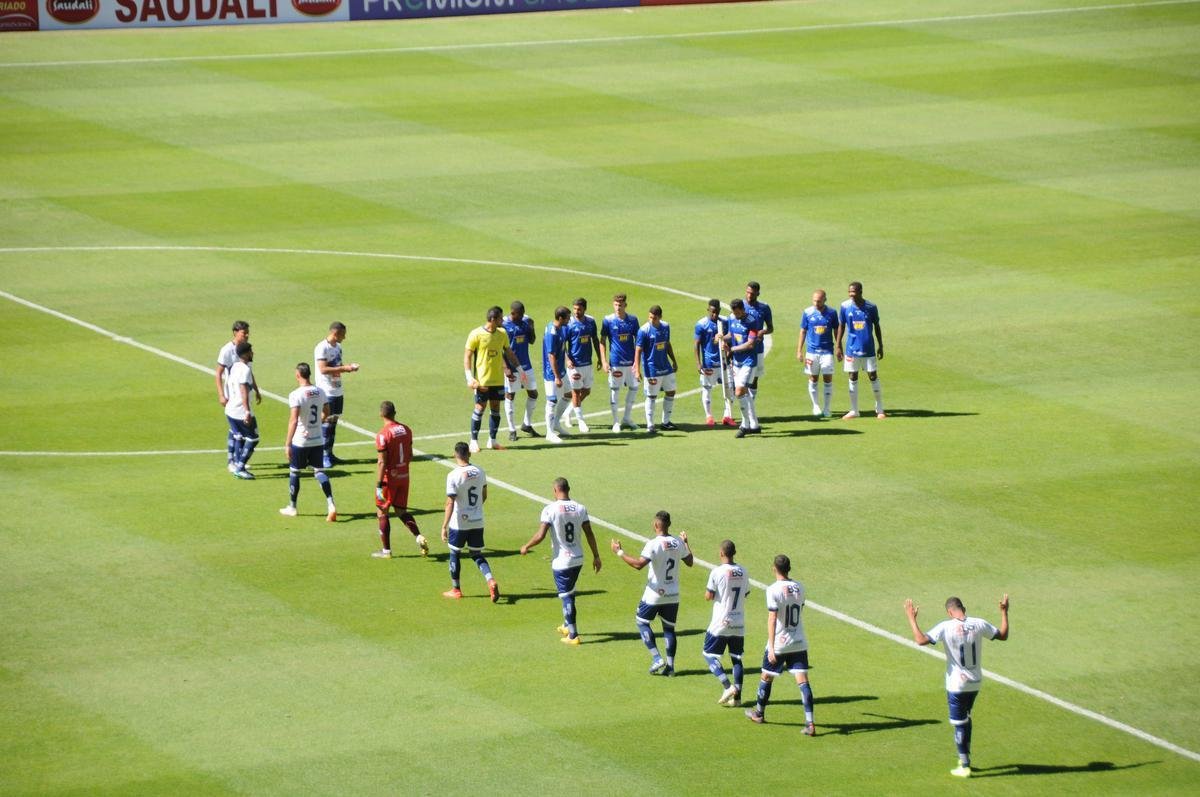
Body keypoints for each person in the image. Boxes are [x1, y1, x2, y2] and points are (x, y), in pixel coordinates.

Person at [905, 595, 1010, 778]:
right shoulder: (979, 623)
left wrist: (911, 619)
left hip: (957, 685)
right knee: (966, 718)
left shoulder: (946, 626)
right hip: (975, 683)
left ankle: (965, 765)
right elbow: (1002, 635)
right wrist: (1004, 612)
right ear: (964, 608)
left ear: (949, 612)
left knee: (959, 724)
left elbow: (921, 640)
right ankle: (965, 759)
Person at [610, 511, 694, 676]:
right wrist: (685, 543)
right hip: (673, 594)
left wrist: (619, 552)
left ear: (655, 524)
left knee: (641, 622)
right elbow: (690, 562)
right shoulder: (678, 542)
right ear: (669, 524)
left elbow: (638, 565)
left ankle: (657, 658)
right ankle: (670, 667)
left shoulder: (653, 544)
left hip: (654, 594)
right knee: (669, 629)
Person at [520, 477, 602, 645]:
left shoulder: (550, 510)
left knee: (566, 597)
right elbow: (589, 533)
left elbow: (540, 535)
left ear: (555, 490)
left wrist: (526, 546)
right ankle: (566, 624)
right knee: (570, 591)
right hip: (578, 558)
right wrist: (596, 556)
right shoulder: (580, 508)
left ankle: (573, 635)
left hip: (562, 561)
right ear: (568, 489)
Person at [745, 554, 815, 736]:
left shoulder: (773, 590)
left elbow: (772, 618)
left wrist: (771, 646)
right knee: (803, 680)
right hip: (799, 641)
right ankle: (810, 723)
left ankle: (759, 713)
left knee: (766, 676)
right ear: (789, 568)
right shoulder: (800, 587)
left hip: (780, 643)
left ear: (774, 568)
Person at [279, 363, 336, 522]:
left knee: (294, 472)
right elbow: (327, 412)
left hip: (301, 441)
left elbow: (293, 420)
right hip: (317, 439)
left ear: (298, 375)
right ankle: (331, 504)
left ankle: (292, 507)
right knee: (320, 472)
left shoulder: (296, 394)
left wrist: (287, 444)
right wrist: (318, 423)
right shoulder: (320, 391)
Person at [372, 401, 428, 559]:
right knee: (401, 511)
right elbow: (410, 455)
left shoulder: (383, 435)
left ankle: (386, 551)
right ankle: (418, 536)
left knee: (382, 512)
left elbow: (382, 462)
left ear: (381, 414)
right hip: (404, 476)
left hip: (388, 479)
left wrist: (379, 484)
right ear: (394, 413)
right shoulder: (406, 430)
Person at [464, 306, 522, 453]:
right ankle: (474, 441)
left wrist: (520, 370)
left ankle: (493, 440)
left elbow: (508, 352)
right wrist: (469, 378)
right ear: (493, 319)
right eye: (501, 318)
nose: (503, 320)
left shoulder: (502, 333)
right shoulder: (476, 334)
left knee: (496, 408)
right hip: (482, 380)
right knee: (480, 408)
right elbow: (467, 356)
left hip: (498, 380)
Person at [704, 539, 749, 707]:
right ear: (734, 553)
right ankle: (737, 699)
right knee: (736, 658)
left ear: (721, 553)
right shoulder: (744, 571)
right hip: (739, 622)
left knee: (708, 655)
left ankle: (727, 686)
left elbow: (708, 596)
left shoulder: (717, 572)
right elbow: (745, 594)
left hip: (721, 622)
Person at [835, 281, 885, 419]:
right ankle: (854, 410)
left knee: (873, 376)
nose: (851, 294)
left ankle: (880, 409)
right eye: (849, 292)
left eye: (853, 292)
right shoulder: (845, 306)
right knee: (852, 376)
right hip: (851, 348)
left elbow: (877, 326)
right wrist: (838, 345)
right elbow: (841, 326)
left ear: (860, 292)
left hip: (868, 348)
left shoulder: (871, 307)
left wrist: (881, 345)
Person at [314, 321, 361, 467]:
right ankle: (322, 456)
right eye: (343, 334)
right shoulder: (322, 347)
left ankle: (329, 453)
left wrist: (348, 368)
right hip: (326, 390)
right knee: (326, 424)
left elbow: (337, 366)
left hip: (337, 389)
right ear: (335, 333)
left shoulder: (338, 347)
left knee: (333, 423)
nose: (344, 337)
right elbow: (323, 369)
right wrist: (345, 368)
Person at [216, 321, 260, 472]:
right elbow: (218, 373)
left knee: (237, 430)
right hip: (233, 395)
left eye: (247, 332)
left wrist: (256, 389)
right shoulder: (227, 350)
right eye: (244, 333)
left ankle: (236, 459)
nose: (247, 335)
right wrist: (221, 394)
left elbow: (249, 372)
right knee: (237, 431)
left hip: (244, 394)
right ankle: (233, 461)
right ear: (235, 332)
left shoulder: (246, 350)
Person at [633, 305, 680, 433]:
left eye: (654, 318)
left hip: (666, 367)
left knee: (671, 392)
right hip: (652, 368)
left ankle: (666, 422)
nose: (651, 320)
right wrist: (637, 370)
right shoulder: (644, 330)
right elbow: (638, 350)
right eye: (650, 317)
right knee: (651, 396)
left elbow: (667, 344)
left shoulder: (665, 326)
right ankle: (650, 425)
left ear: (660, 317)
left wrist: (674, 360)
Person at [600, 293, 640, 433]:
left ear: (625, 305)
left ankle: (627, 418)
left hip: (631, 362)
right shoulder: (608, 320)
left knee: (634, 388)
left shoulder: (633, 320)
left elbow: (638, 342)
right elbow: (602, 341)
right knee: (615, 391)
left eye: (620, 305)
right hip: (616, 362)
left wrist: (637, 362)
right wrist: (604, 361)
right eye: (616, 305)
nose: (618, 307)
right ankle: (616, 421)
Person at [797, 289, 840, 418]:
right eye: (814, 301)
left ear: (825, 300)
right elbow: (803, 331)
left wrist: (839, 347)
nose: (816, 303)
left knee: (828, 378)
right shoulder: (807, 312)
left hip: (827, 352)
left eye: (819, 301)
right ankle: (815, 406)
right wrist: (799, 350)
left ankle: (827, 408)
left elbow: (836, 330)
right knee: (813, 378)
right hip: (811, 352)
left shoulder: (832, 313)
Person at [722, 299, 761, 438]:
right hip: (737, 362)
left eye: (738, 313)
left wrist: (731, 349)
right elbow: (731, 335)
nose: (736, 315)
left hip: (749, 362)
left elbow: (750, 344)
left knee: (739, 392)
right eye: (734, 313)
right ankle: (755, 425)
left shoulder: (752, 321)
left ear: (743, 309)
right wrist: (721, 338)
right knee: (745, 393)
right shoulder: (732, 318)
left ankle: (745, 425)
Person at [502, 301, 539, 442]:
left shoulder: (526, 321)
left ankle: (526, 424)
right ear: (513, 313)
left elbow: (532, 341)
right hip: (512, 368)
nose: (522, 316)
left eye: (523, 314)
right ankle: (512, 430)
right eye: (520, 314)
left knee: (533, 394)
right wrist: (506, 368)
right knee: (510, 395)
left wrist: (532, 328)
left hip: (526, 366)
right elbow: (500, 349)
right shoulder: (503, 325)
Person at [694, 299, 735, 427]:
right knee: (707, 389)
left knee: (730, 388)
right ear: (708, 310)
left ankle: (727, 416)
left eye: (717, 312)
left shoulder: (725, 322)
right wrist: (698, 363)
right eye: (712, 312)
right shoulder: (701, 324)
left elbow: (731, 340)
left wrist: (729, 356)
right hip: (709, 364)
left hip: (724, 362)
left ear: (720, 310)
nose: (715, 314)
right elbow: (696, 344)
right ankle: (709, 416)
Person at [564, 297, 601, 432]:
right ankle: (581, 422)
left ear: (585, 309)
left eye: (579, 309)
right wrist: (567, 359)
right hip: (574, 365)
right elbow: (562, 344)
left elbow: (595, 339)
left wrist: (600, 358)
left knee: (586, 391)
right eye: (574, 309)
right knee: (576, 392)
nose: (576, 312)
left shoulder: (591, 321)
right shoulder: (569, 324)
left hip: (587, 363)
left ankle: (568, 412)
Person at [224, 341, 260, 479]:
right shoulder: (245, 370)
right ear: (245, 354)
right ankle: (240, 467)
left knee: (238, 435)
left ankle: (234, 463)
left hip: (230, 409)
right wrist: (247, 411)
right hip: (240, 411)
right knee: (253, 438)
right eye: (250, 351)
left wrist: (256, 391)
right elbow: (243, 389)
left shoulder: (235, 366)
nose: (253, 353)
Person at [541, 306, 571, 444]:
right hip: (551, 373)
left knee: (568, 394)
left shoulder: (561, 328)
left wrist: (567, 359)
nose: (569, 320)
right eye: (567, 318)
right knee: (552, 401)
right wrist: (557, 377)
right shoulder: (551, 333)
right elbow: (551, 356)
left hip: (561, 369)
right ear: (560, 318)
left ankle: (556, 423)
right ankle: (549, 432)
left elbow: (562, 348)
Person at [743, 281, 773, 399]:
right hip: (741, 348)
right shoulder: (740, 305)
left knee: (754, 378)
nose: (749, 295)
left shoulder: (764, 308)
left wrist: (762, 332)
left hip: (757, 348)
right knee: (740, 378)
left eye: (752, 293)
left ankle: (751, 403)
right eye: (748, 292)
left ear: (758, 294)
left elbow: (770, 328)